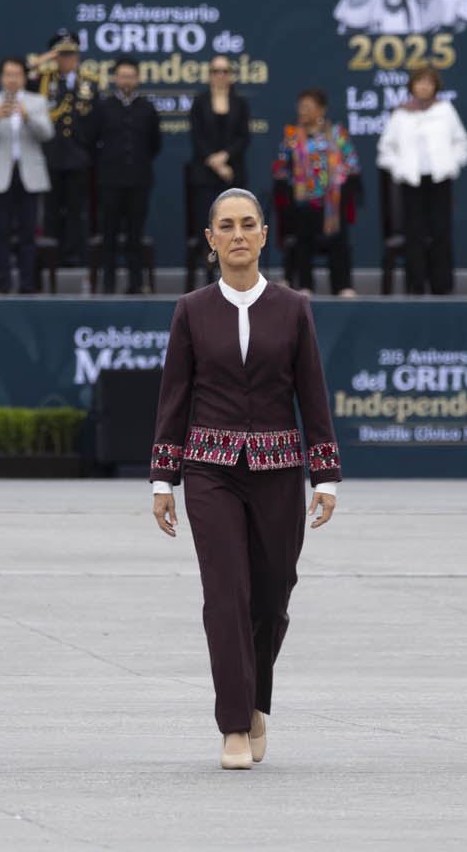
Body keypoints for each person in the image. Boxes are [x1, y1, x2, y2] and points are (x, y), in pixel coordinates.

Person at [150, 187, 341, 770]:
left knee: (273, 596)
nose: (237, 234)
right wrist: (164, 479)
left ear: (264, 235)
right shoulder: (191, 310)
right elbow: (174, 397)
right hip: (209, 470)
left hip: (280, 471)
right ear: (210, 241)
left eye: (248, 224)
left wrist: (325, 476)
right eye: (226, 226)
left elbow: (312, 392)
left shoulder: (293, 307)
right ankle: (234, 724)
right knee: (226, 593)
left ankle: (255, 699)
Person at [375, 66, 467, 295]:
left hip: (440, 181)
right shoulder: (401, 114)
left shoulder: (446, 110)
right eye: (419, 82)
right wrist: (400, 170)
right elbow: (385, 150)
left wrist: (452, 165)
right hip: (412, 183)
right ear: (412, 86)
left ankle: (442, 287)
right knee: (414, 235)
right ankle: (415, 286)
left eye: (428, 82)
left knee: (441, 234)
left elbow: (462, 143)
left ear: (435, 86)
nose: (424, 86)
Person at [0, 56, 53, 294]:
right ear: (1, 78)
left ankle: (28, 284)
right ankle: (2, 283)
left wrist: (28, 116)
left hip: (29, 175)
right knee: (1, 232)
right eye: (8, 74)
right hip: (0, 175)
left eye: (17, 74)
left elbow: (47, 134)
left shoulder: (37, 101)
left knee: (28, 233)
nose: (13, 79)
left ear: (24, 77)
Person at [271, 88, 361, 297]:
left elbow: (353, 164)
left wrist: (337, 184)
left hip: (332, 203)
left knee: (338, 239)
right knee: (302, 238)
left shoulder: (337, 133)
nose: (303, 111)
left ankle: (342, 285)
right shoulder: (292, 136)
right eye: (301, 107)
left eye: (308, 108)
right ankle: (305, 285)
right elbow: (280, 168)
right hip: (302, 202)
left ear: (322, 110)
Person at [86, 57, 161, 294]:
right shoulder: (103, 107)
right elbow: (90, 139)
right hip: (109, 181)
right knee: (108, 234)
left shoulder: (147, 108)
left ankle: (135, 284)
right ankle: (107, 285)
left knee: (134, 235)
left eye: (131, 75)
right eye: (122, 75)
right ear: (115, 78)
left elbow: (155, 145)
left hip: (139, 181)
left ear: (137, 79)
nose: (126, 80)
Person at [28, 29, 98, 267]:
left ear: (77, 57)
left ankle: (75, 259)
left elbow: (96, 121)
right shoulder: (44, 82)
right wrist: (41, 61)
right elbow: (20, 79)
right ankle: (51, 261)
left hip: (78, 157)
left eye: (70, 55)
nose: (66, 60)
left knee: (77, 212)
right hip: (50, 157)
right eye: (61, 55)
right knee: (50, 212)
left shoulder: (89, 84)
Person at [187, 55, 251, 273]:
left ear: (231, 75)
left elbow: (244, 137)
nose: (220, 76)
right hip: (204, 175)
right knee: (208, 224)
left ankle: (234, 267)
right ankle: (208, 268)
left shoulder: (240, 103)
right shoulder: (199, 102)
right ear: (209, 75)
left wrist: (225, 157)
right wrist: (215, 163)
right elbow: (197, 137)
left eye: (224, 71)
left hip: (233, 174)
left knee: (235, 223)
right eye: (215, 71)